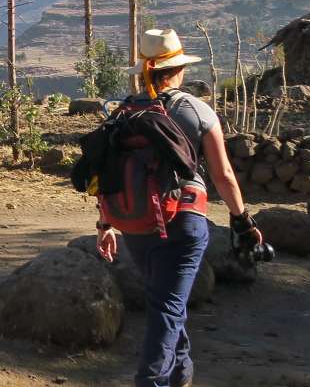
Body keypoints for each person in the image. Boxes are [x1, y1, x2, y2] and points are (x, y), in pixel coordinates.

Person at [96, 29, 263, 387]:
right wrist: (242, 220)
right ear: (178, 69)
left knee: (166, 302)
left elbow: (108, 172)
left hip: (135, 222)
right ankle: (151, 381)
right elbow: (224, 175)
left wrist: (105, 224)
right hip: (182, 221)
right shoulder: (197, 111)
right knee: (168, 309)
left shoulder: (125, 111)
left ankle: (181, 375)